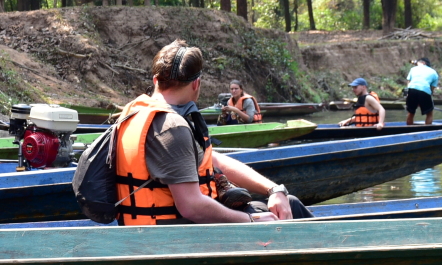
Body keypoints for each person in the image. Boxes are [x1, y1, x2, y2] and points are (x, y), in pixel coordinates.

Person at [106, 41, 308, 225]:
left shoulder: (134, 113)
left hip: (146, 230)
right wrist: (250, 220)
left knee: (287, 201)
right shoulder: (171, 127)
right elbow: (191, 206)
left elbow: (215, 160)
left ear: (155, 80)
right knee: (293, 209)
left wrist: (274, 189)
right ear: (196, 84)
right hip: (175, 238)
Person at [403, 57, 441, 125]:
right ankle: (427, 130)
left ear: (423, 63)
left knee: (411, 112)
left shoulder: (413, 69)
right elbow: (432, 89)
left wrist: (409, 93)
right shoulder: (434, 72)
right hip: (425, 91)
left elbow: (409, 82)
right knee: (429, 114)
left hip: (412, 90)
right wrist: (424, 99)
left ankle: (408, 129)